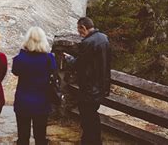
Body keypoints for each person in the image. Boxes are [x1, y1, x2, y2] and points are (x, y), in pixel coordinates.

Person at [64, 17, 111, 145]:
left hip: (89, 88)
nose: (79, 33)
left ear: (83, 28)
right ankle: (95, 141)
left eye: (79, 30)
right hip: (101, 85)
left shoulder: (88, 42)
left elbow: (80, 64)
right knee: (93, 116)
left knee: (87, 118)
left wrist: (69, 59)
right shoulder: (104, 38)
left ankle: (89, 141)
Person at [12, 27, 56, 145]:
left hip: (23, 99)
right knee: (40, 136)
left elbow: (15, 71)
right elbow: (54, 70)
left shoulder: (20, 58)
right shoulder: (49, 58)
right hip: (42, 100)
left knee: (22, 136)